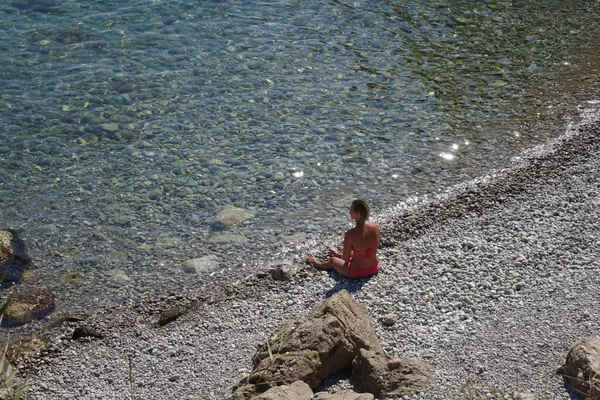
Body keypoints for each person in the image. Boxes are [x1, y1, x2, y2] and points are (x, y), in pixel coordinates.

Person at [307, 199, 380, 278]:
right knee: (357, 251)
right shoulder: (376, 227)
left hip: (358, 272)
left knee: (333, 260)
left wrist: (340, 257)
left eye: (351, 210)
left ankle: (317, 263)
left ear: (357, 214)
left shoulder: (350, 234)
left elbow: (346, 259)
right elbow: (365, 247)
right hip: (374, 268)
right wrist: (340, 255)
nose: (349, 212)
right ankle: (337, 254)